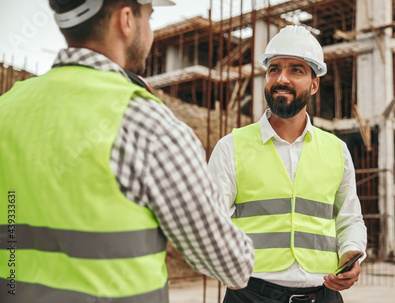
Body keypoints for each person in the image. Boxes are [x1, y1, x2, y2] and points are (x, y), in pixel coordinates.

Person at [0, 1, 254, 302]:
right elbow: (232, 264)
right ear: (126, 19)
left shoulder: (8, 109)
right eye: (149, 16)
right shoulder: (147, 123)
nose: (150, 30)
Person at [208, 25, 367, 303]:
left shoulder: (336, 150)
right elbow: (209, 221)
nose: (282, 78)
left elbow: (349, 219)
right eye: (274, 69)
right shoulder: (231, 147)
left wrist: (351, 253)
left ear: (314, 84)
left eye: (296, 70)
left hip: (324, 295)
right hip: (250, 295)